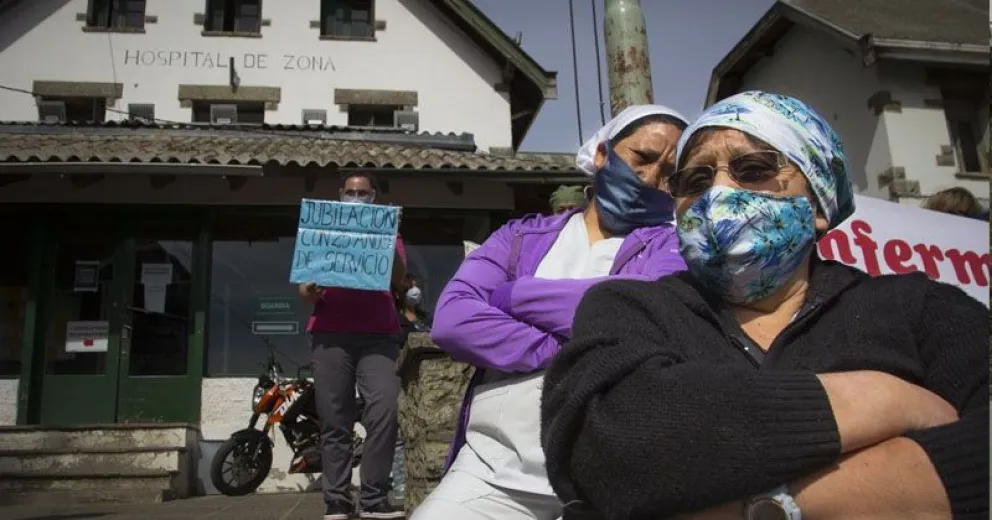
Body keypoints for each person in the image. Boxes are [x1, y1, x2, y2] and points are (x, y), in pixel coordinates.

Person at [540, 91, 990, 520]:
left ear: (817, 203)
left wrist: (753, 509)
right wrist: (879, 400)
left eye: (753, 169)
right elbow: (604, 442)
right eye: (695, 181)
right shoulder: (628, 306)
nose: (717, 194)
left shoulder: (918, 308)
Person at [412, 105, 691, 520]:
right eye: (642, 158)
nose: (651, 178)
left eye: (669, 173)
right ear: (602, 154)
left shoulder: (672, 247)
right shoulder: (519, 238)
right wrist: (568, 349)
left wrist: (513, 295)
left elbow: (645, 309)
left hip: (612, 482)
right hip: (494, 471)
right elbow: (454, 320)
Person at [300, 172, 408, 520]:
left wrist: (388, 236)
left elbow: (397, 278)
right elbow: (304, 288)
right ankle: (337, 500)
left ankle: (374, 497)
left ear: (373, 197)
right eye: (351, 192)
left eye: (363, 193)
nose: (357, 197)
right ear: (340, 195)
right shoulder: (321, 230)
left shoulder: (389, 232)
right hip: (330, 335)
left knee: (386, 411)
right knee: (335, 420)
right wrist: (310, 290)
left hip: (379, 335)